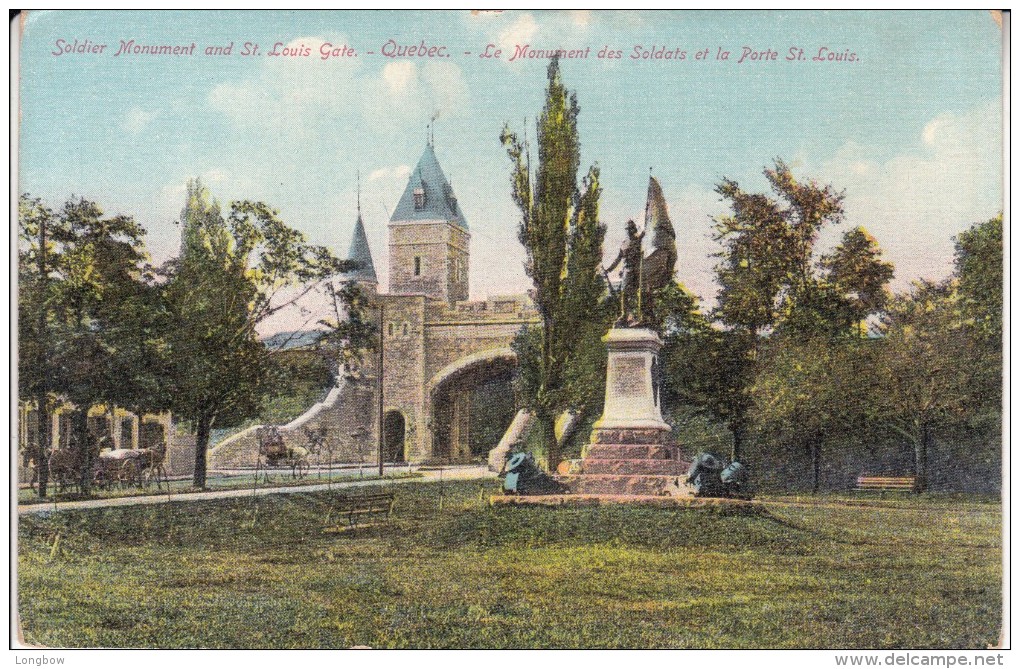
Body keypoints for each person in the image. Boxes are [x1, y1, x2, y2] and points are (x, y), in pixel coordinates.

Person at [604, 219, 645, 326]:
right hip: (627, 270)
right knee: (624, 292)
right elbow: (618, 258)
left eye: (630, 228)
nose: (628, 231)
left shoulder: (639, 239)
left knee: (637, 293)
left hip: (638, 269)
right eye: (627, 229)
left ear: (633, 229)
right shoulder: (624, 243)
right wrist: (609, 269)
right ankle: (625, 315)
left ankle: (637, 316)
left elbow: (646, 232)